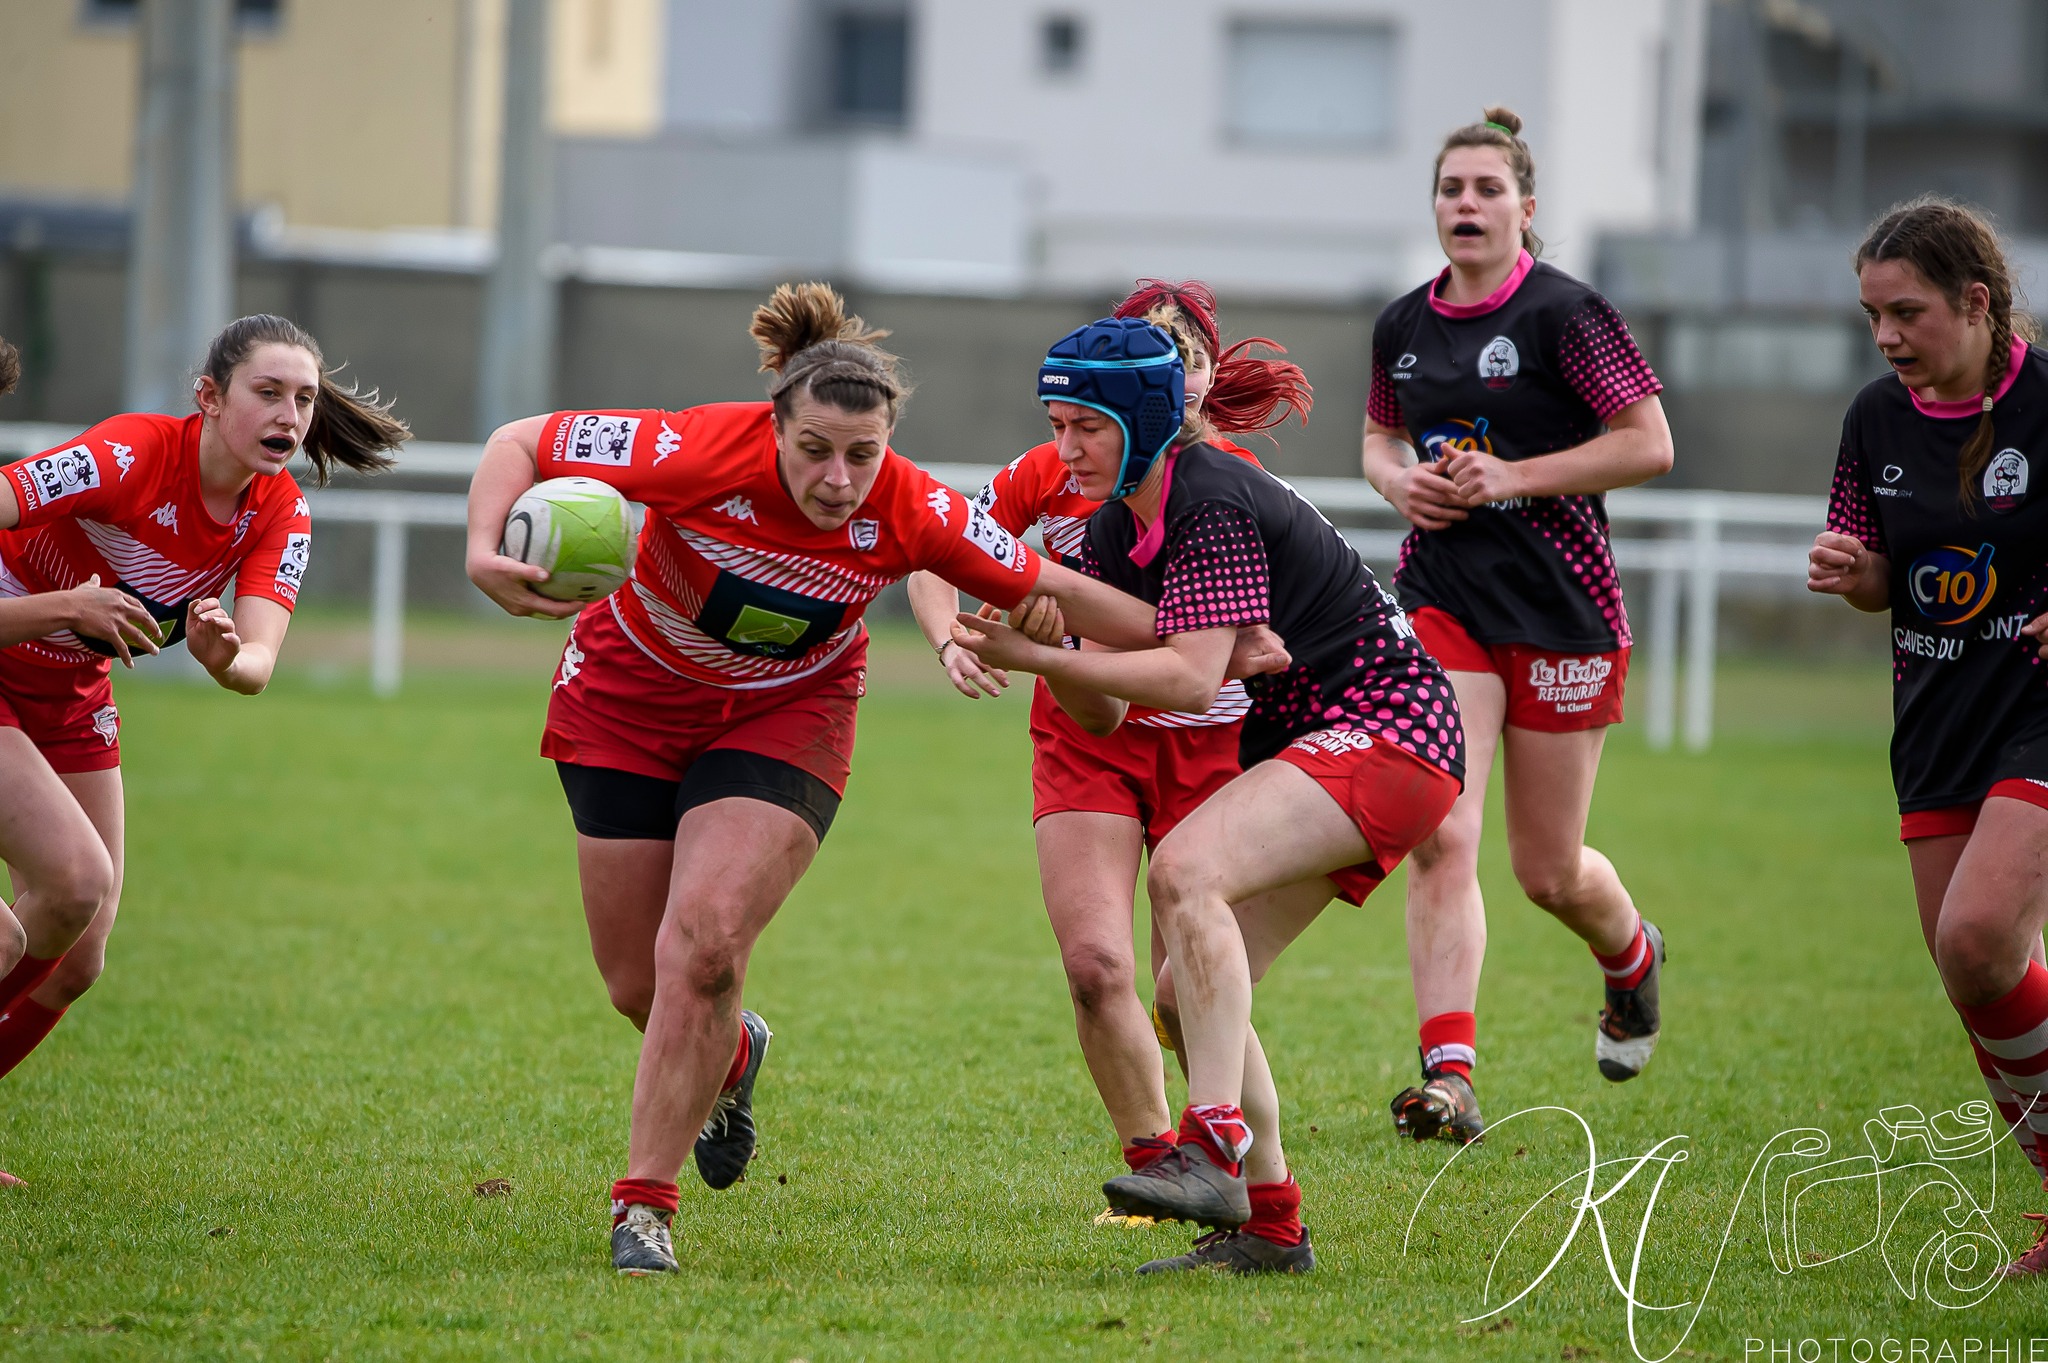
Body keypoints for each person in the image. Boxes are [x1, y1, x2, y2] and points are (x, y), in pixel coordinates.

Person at [462, 283, 1228, 1276]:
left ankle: (642, 1208)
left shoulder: (913, 507)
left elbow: (1051, 587)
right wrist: (483, 550)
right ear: (772, 427)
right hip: (625, 699)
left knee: (700, 940)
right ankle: (732, 1054)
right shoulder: (691, 449)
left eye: (861, 455)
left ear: (888, 443)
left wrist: (1208, 635)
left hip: (787, 715)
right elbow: (522, 439)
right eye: (815, 450)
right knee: (635, 982)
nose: (837, 478)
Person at [952, 315, 1464, 1274]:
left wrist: (1031, 631)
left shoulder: (1212, 494)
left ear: (1145, 420)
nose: (1065, 449)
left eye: (1086, 427)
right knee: (1183, 998)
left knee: (1186, 868)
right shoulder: (1115, 525)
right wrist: (1050, 646)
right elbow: (1100, 714)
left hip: (1394, 728)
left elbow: (1192, 678)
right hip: (1336, 742)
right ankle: (1273, 1227)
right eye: (1057, 424)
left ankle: (1214, 1139)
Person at [904, 280, 1310, 1222]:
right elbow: (938, 549)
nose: (1183, 370)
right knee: (1095, 964)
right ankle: (1157, 1161)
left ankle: (1257, 1187)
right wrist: (953, 639)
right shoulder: (1060, 468)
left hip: (1212, 748)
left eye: (1193, 355)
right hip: (1089, 740)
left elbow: (1238, 648)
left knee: (1188, 987)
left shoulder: (1225, 488)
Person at [0, 316, 404, 1188]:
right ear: (210, 398)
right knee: (67, 885)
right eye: (268, 392)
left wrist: (226, 659)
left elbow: (257, 662)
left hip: (70, 693)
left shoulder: (278, 509)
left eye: (304, 397)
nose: (290, 414)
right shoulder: (132, 455)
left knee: (79, 953)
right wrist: (67, 603)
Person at [1359, 106, 1675, 1142]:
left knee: (1547, 870)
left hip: (1560, 612)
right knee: (1439, 830)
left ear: (1524, 210)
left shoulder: (1566, 316)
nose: (1465, 203)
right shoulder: (1401, 325)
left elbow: (1646, 444)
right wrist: (1401, 484)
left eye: (1486, 189)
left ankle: (1629, 955)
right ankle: (1447, 1076)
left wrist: (1512, 479)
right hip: (1444, 595)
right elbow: (1376, 438)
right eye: (1450, 188)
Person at [1808, 196, 2048, 1278]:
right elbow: (1876, 577)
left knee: (1977, 935)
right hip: (1937, 717)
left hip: (2036, 710)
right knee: (1970, 976)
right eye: (1870, 316)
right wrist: (1855, 575)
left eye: (1904, 312)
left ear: (1975, 302)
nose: (1885, 337)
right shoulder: (1872, 417)